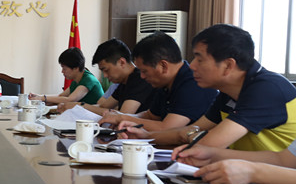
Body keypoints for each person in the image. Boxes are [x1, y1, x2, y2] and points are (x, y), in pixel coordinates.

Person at [122, 24, 296, 150]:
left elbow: (207, 145)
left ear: (228, 65)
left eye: (200, 59)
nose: (192, 66)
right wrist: (146, 136)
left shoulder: (267, 89)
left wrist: (190, 136)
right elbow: (194, 130)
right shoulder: (229, 92)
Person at [101, 31, 216, 132]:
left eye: (144, 71)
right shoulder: (166, 83)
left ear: (163, 66)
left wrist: (123, 118)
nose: (142, 76)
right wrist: (121, 116)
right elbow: (150, 115)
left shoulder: (193, 82)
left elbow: (167, 128)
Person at [57, 38, 155, 115]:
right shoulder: (124, 82)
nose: (105, 75)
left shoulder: (138, 78)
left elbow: (123, 115)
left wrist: (80, 106)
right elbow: (103, 106)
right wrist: (76, 106)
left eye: (106, 70)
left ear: (122, 62)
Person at [28, 47, 104, 105]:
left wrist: (42, 98)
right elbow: (61, 96)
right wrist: (38, 97)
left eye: (64, 68)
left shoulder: (88, 79)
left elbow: (70, 100)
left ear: (76, 68)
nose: (62, 71)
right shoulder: (76, 80)